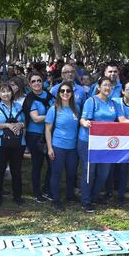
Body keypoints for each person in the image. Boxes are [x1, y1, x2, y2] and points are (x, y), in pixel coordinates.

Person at [80, 76, 126, 212]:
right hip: (89, 141)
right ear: (99, 87)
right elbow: (83, 119)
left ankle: (94, 196)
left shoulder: (114, 103)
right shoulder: (91, 101)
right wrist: (86, 123)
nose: (108, 88)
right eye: (105, 85)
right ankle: (86, 200)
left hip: (106, 143)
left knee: (104, 172)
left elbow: (122, 120)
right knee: (90, 171)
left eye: (110, 86)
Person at [0, 83, 25, 206]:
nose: (6, 94)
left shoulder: (18, 106)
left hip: (17, 142)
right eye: (3, 92)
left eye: (8, 91)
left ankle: (17, 196)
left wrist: (19, 125)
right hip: (0, 143)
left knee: (16, 170)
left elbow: (24, 122)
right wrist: (7, 125)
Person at [45, 81, 80, 210]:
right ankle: (55, 199)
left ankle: (70, 195)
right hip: (58, 146)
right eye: (62, 91)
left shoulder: (76, 109)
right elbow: (48, 130)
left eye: (68, 91)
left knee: (72, 173)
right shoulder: (53, 109)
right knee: (56, 173)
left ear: (72, 93)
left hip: (72, 147)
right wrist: (49, 148)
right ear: (58, 93)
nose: (65, 93)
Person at [23, 72, 54, 203]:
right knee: (37, 164)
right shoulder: (29, 99)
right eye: (34, 81)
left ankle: (47, 189)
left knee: (52, 163)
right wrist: (52, 116)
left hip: (50, 134)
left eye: (39, 80)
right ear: (30, 84)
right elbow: (35, 118)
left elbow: (57, 108)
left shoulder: (50, 96)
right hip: (35, 136)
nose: (37, 83)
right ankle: (37, 193)